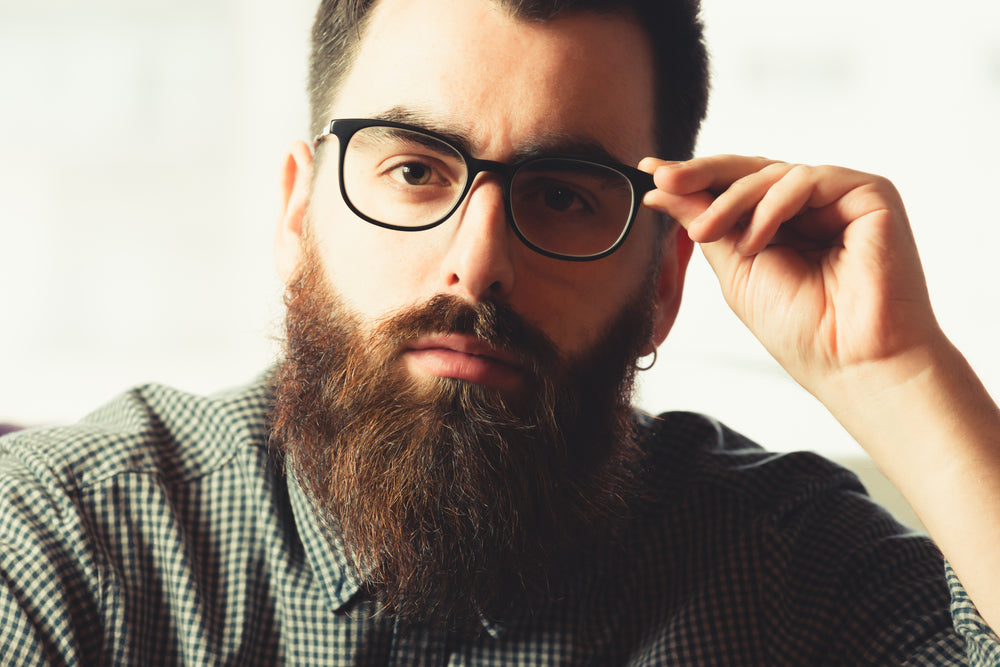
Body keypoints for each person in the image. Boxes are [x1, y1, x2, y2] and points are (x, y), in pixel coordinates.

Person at [2, 0, 999, 663]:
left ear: (660, 284)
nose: (476, 262)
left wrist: (899, 377)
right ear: (297, 217)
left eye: (562, 196)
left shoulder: (784, 574)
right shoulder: (76, 541)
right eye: (414, 171)